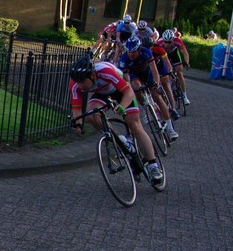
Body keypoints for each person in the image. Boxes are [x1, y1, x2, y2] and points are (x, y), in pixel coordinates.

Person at [69, 55, 164, 183]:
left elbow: (129, 92)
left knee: (134, 124)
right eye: (78, 82)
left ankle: (153, 166)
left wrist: (122, 106)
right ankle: (121, 140)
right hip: (102, 93)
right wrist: (78, 125)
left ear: (92, 75)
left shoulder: (105, 71)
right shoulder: (75, 84)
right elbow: (76, 109)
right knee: (91, 115)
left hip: (121, 90)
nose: (80, 86)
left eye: (83, 81)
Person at [117, 37, 180, 141]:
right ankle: (148, 107)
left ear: (139, 49)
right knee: (136, 87)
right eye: (129, 52)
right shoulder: (123, 59)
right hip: (134, 75)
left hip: (147, 73)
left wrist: (157, 84)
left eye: (133, 52)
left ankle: (170, 129)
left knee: (157, 97)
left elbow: (154, 70)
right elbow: (126, 78)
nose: (131, 54)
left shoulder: (146, 52)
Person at [158, 28, 191, 105]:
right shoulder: (159, 42)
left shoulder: (177, 40)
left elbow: (185, 53)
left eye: (169, 42)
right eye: (166, 42)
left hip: (174, 53)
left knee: (179, 72)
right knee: (165, 73)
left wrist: (186, 62)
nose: (167, 44)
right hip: (164, 54)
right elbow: (157, 56)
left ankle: (184, 96)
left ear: (173, 40)